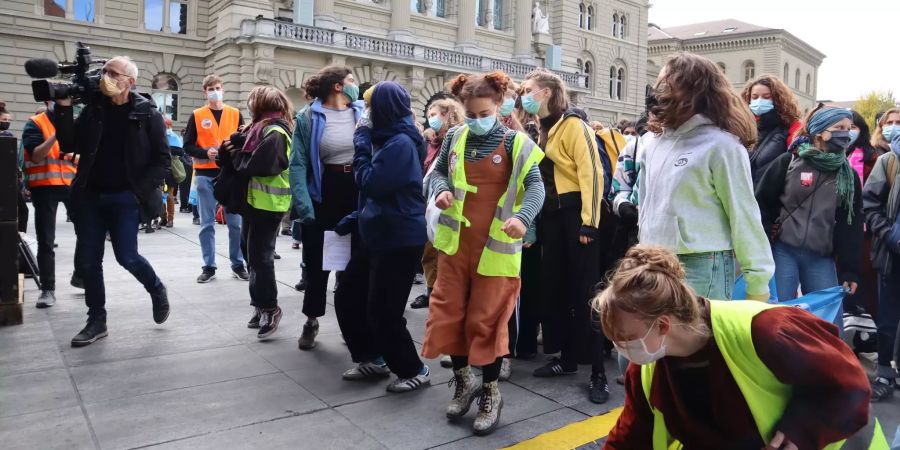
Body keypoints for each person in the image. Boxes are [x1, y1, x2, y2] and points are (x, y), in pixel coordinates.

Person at [596, 245, 885, 450]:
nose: (621, 347)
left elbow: (850, 384)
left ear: (662, 325)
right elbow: (631, 437)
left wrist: (801, 432)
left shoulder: (767, 331)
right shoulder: (646, 372)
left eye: (626, 336)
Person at [422, 71, 545, 435]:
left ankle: (491, 390)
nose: (477, 121)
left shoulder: (514, 143)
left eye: (484, 113)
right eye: (471, 114)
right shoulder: (454, 138)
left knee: (486, 320)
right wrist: (440, 191)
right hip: (456, 245)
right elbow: (439, 173)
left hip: (496, 248)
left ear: (498, 106)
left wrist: (523, 218)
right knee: (449, 315)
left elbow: (535, 185)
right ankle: (464, 381)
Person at [53, 56, 170, 347]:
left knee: (127, 256)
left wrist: (137, 192)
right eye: (105, 71)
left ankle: (156, 288)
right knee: (89, 262)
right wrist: (64, 107)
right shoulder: (95, 111)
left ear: (130, 82)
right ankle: (96, 320)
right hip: (91, 196)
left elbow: (163, 161)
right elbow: (69, 144)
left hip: (125, 198)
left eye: (113, 73)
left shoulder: (147, 114)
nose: (106, 76)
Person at [638, 53, 773, 301]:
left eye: (666, 84)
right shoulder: (651, 144)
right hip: (654, 262)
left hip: (702, 265)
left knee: (701, 340)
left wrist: (758, 282)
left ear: (692, 89)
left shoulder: (722, 146)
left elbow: (744, 214)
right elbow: (645, 207)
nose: (658, 92)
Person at [334, 81, 431, 392]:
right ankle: (372, 357)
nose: (367, 115)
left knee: (383, 310)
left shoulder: (400, 143)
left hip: (398, 238)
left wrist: (360, 144)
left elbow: (371, 183)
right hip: (376, 233)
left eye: (372, 107)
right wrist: (354, 218)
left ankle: (413, 369)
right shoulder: (388, 140)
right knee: (348, 295)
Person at [519, 69, 609, 404]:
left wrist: (590, 222)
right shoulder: (543, 128)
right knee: (556, 290)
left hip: (577, 217)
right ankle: (568, 358)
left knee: (586, 293)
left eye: (529, 90)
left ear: (546, 92)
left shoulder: (573, 125)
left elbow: (592, 173)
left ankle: (598, 372)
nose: (524, 94)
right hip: (553, 219)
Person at [755, 106, 863, 307]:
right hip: (783, 251)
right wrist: (768, 232)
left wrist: (850, 270)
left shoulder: (848, 176)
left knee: (827, 323)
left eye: (849, 128)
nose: (846, 134)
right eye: (839, 127)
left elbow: (852, 225)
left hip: (820, 256)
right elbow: (761, 201)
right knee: (778, 315)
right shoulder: (789, 162)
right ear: (819, 132)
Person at [289, 65, 363, 350]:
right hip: (325, 193)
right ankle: (311, 320)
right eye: (351, 80)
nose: (355, 85)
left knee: (353, 263)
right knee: (319, 262)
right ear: (337, 86)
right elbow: (298, 164)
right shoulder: (309, 116)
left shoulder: (361, 113)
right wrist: (304, 205)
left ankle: (350, 322)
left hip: (356, 189)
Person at [216, 86, 294, 339]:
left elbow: (259, 165)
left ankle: (270, 307)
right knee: (249, 253)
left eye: (252, 101)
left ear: (260, 105)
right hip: (252, 202)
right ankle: (260, 304)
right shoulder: (254, 129)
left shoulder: (275, 132)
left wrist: (236, 152)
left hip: (269, 205)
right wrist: (229, 150)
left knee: (261, 258)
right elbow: (227, 158)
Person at [183, 74, 248, 283]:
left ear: (223, 89)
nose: (215, 91)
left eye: (218, 87)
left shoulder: (235, 114)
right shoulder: (197, 114)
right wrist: (204, 153)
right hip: (205, 173)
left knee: (235, 223)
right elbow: (188, 145)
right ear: (205, 92)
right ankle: (209, 266)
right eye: (211, 88)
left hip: (230, 173)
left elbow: (245, 141)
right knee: (207, 223)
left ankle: (238, 264)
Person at [21, 100, 78, 308]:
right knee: (46, 239)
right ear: (48, 101)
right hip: (44, 186)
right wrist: (56, 135)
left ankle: (81, 275)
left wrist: (75, 156)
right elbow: (36, 156)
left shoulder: (74, 122)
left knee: (87, 232)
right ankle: (47, 289)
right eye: (59, 100)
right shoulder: (35, 123)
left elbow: (83, 152)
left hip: (72, 184)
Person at [413, 97, 466, 310]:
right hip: (429, 201)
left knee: (441, 252)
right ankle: (430, 290)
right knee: (429, 251)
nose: (431, 119)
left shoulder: (454, 139)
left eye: (435, 115)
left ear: (448, 115)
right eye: (429, 115)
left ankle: (438, 292)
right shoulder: (432, 142)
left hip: (446, 204)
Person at [862, 132, 900, 402]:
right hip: (893, 255)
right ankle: (885, 373)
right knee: (887, 319)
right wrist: (890, 236)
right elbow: (870, 205)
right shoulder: (888, 161)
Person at [847, 110, 884, 315]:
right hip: (832, 233)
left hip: (865, 233)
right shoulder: (831, 156)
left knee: (864, 286)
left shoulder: (873, 159)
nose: (848, 132)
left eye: (853, 127)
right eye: (843, 127)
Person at [740, 75, 801, 186]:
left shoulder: (793, 126)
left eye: (766, 97)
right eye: (754, 97)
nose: (759, 101)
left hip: (771, 197)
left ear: (778, 99)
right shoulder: (742, 126)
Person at [160, 118, 183, 228]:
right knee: (160, 196)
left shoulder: (174, 137)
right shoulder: (157, 136)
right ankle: (163, 217)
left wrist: (166, 149)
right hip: (159, 169)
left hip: (170, 170)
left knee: (169, 196)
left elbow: (180, 151)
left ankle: (170, 219)